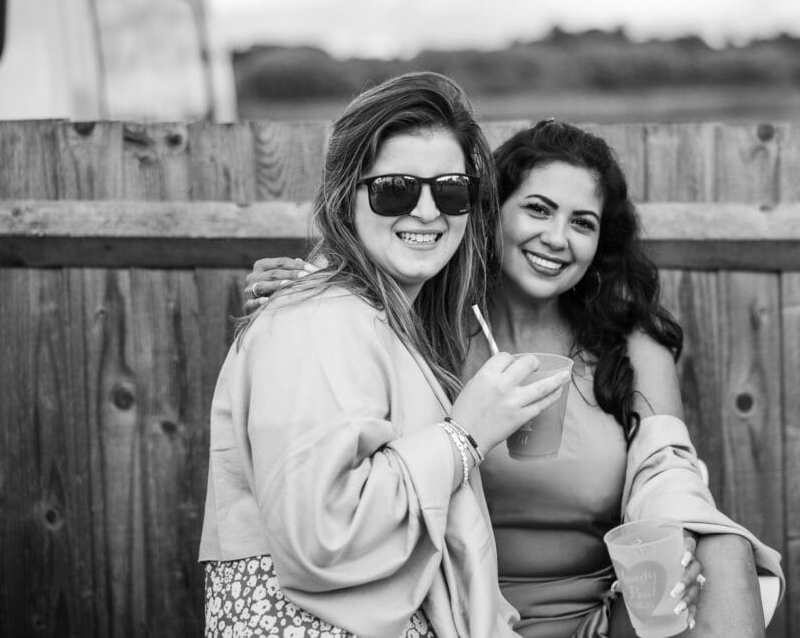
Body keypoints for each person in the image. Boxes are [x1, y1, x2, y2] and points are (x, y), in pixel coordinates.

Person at [246, 121, 783, 636]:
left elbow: (668, 471)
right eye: (537, 209)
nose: (556, 238)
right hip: (454, 613)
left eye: (582, 223)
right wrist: (311, 285)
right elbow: (345, 336)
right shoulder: (425, 328)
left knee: (723, 548)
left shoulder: (630, 345)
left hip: (604, 621)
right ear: (491, 214)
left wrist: (675, 536)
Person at [198, 72, 572, 638]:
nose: (427, 211)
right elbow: (321, 534)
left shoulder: (386, 322)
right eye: (395, 189)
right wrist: (464, 436)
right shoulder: (317, 320)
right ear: (345, 195)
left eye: (450, 190)